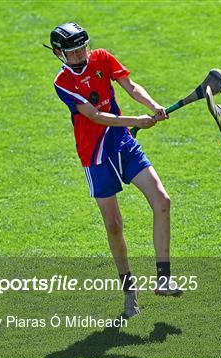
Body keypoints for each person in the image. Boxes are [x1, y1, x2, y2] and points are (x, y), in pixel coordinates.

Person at [47, 22, 181, 318]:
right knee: (114, 225)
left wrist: (153, 105)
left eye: (84, 47)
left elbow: (130, 86)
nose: (82, 54)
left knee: (162, 201)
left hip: (123, 144)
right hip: (95, 157)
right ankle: (129, 289)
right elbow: (94, 116)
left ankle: (163, 278)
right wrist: (136, 119)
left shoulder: (102, 58)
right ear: (59, 53)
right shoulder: (62, 83)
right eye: (73, 51)